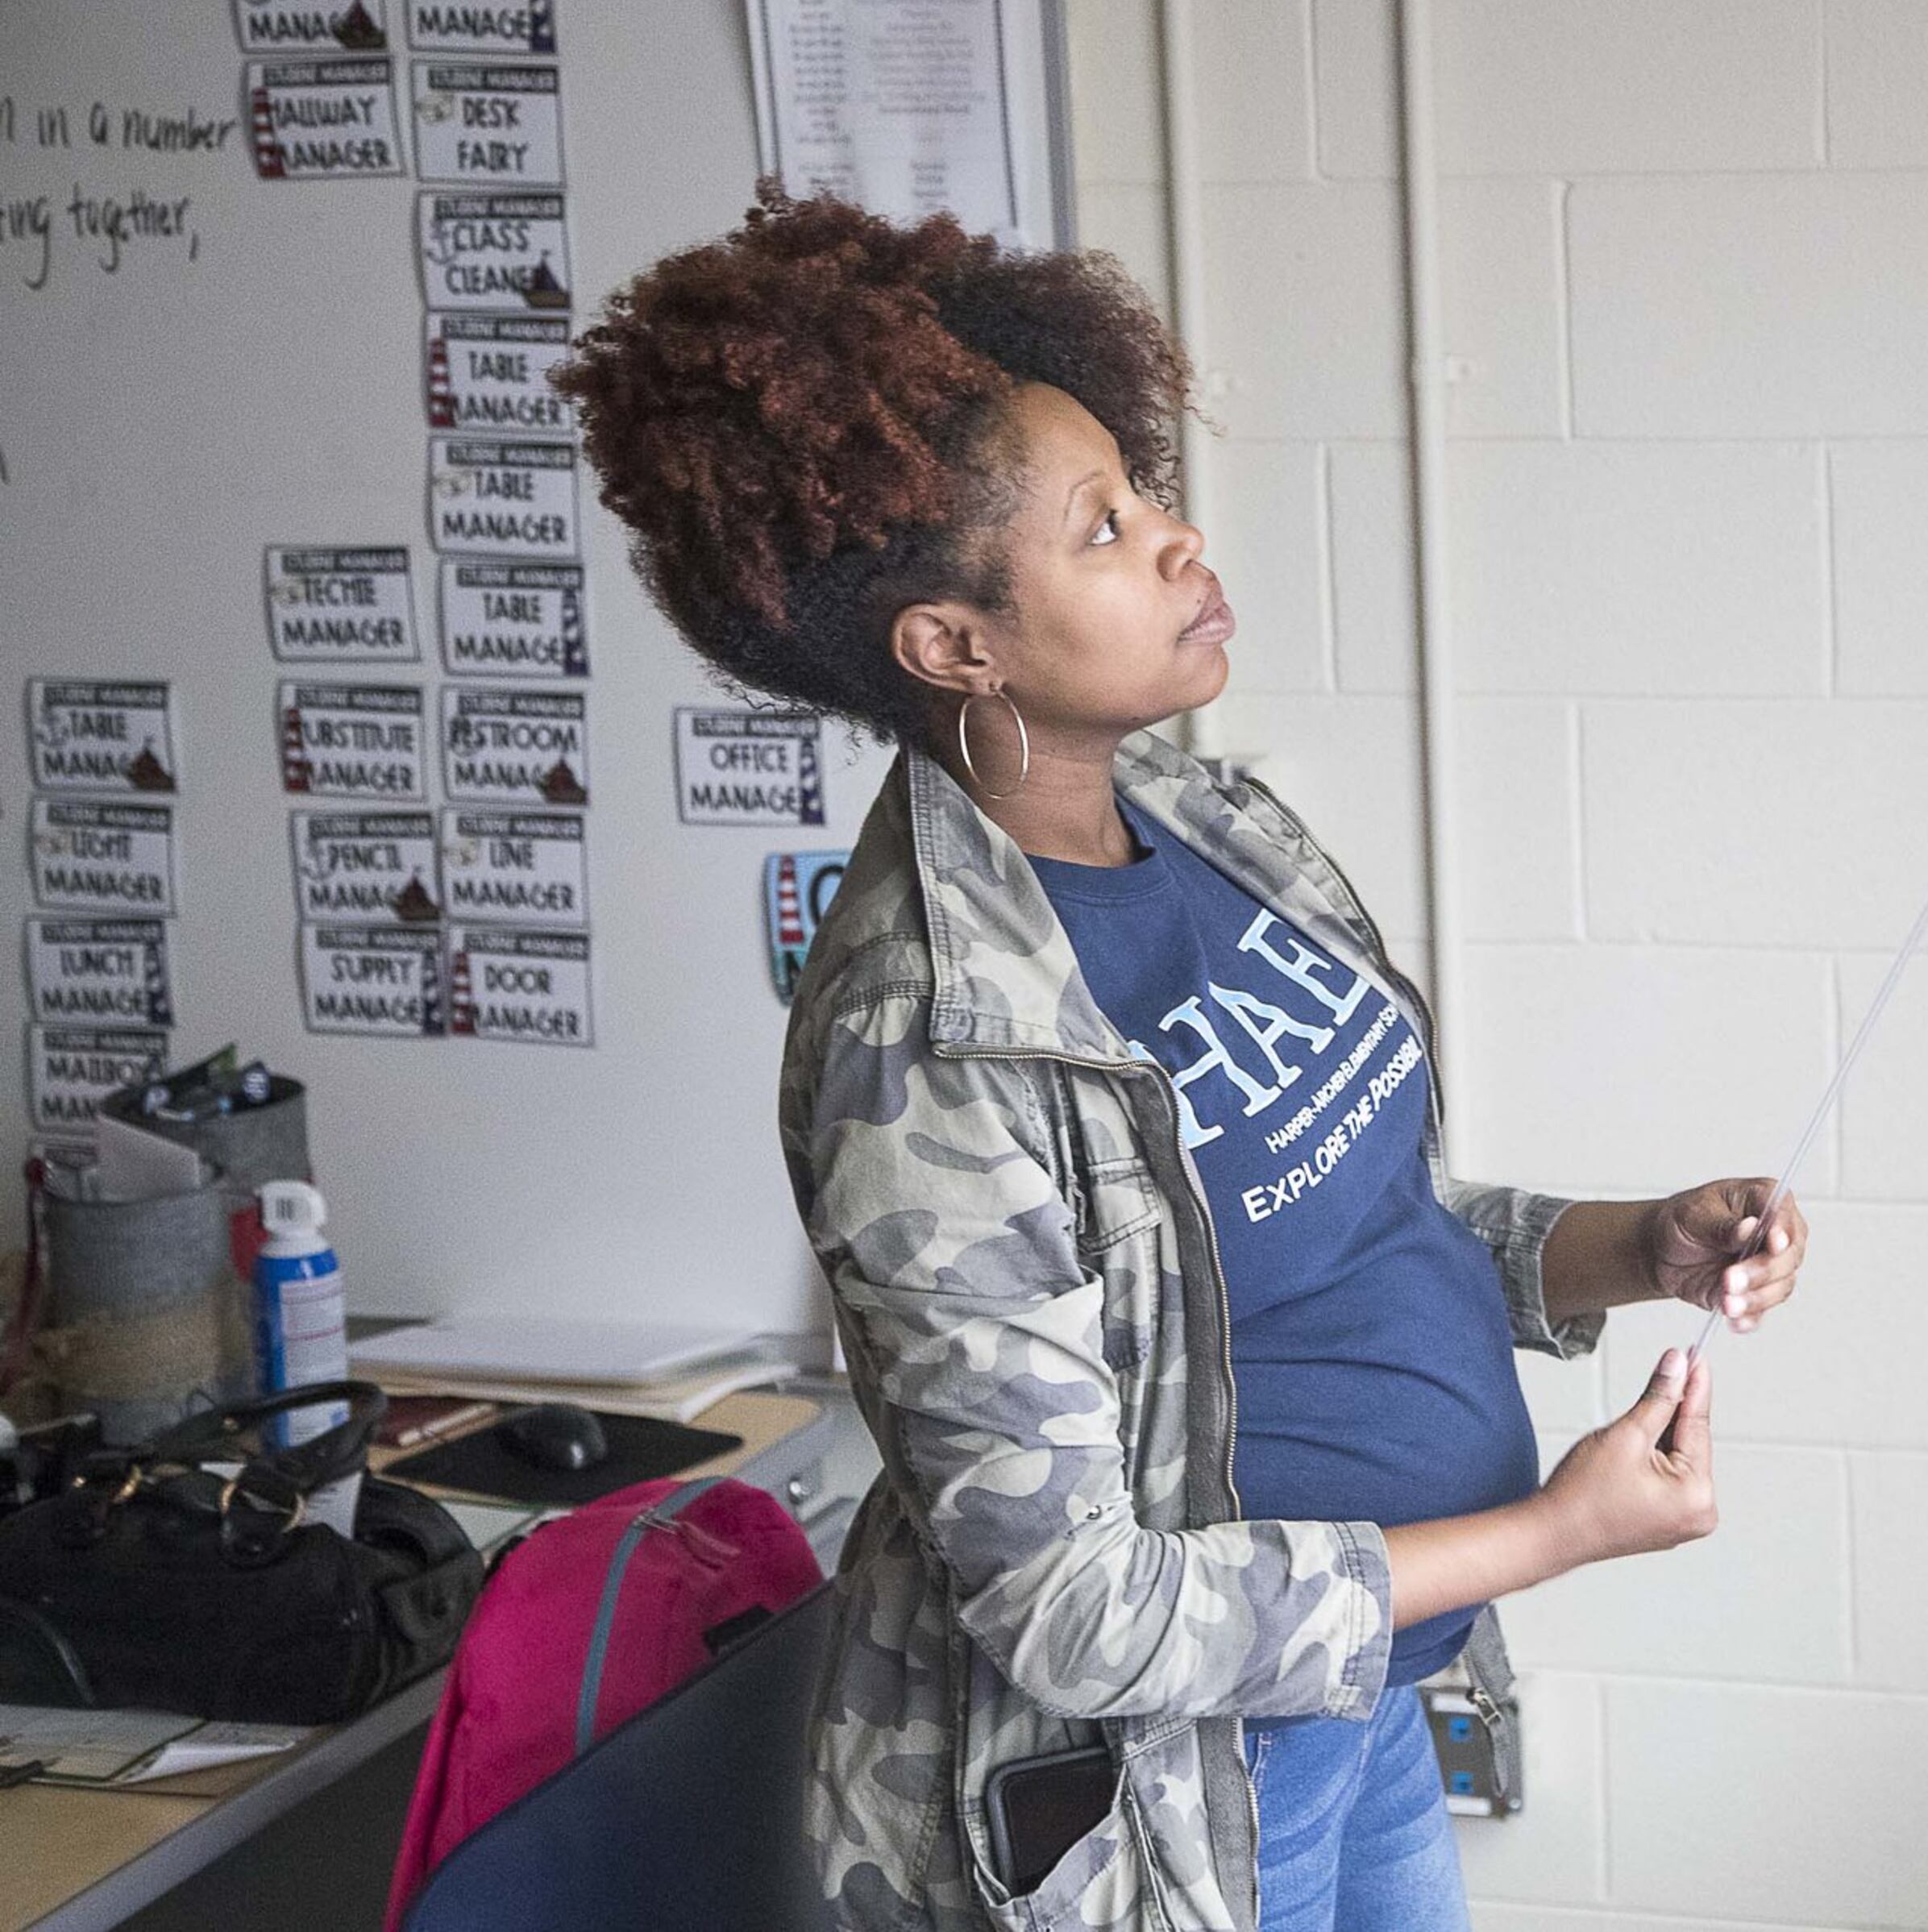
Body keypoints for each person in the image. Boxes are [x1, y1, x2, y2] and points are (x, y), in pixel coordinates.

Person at [554, 186, 1810, 1932]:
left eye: (1140, 492)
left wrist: (1634, 1239)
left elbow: (1363, 1218)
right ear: (954, 642)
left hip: (1365, 1709)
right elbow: (1072, 1603)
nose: (1174, 536)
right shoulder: (919, 1037)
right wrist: (1555, 1531)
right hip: (1172, 1807)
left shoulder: (1211, 822)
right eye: (1101, 526)